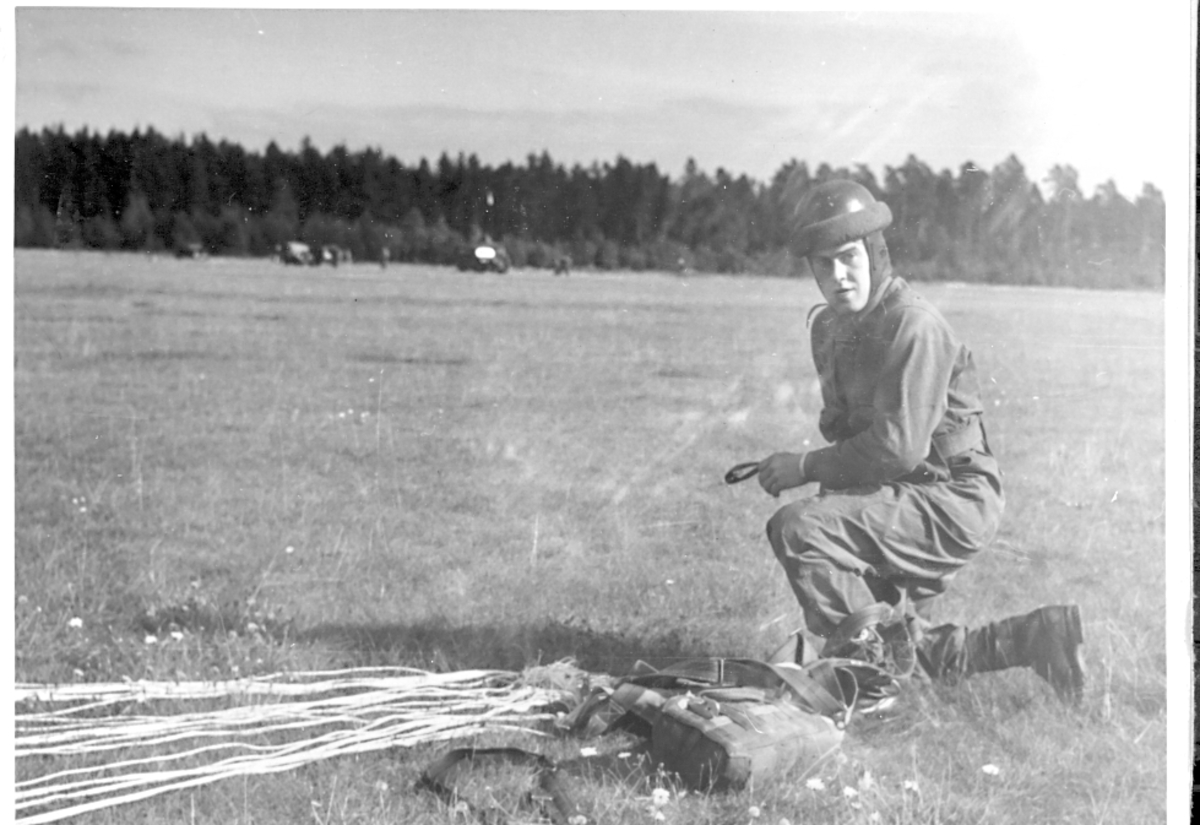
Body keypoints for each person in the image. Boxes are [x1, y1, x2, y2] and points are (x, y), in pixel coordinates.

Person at [757, 179, 1085, 703]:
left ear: (874, 252)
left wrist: (805, 467)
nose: (837, 277)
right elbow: (851, 433)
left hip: (952, 497)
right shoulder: (833, 329)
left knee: (798, 531)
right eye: (823, 265)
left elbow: (895, 448)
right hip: (905, 491)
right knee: (895, 638)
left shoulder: (912, 325)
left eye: (847, 258)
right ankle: (1039, 637)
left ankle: (872, 687)